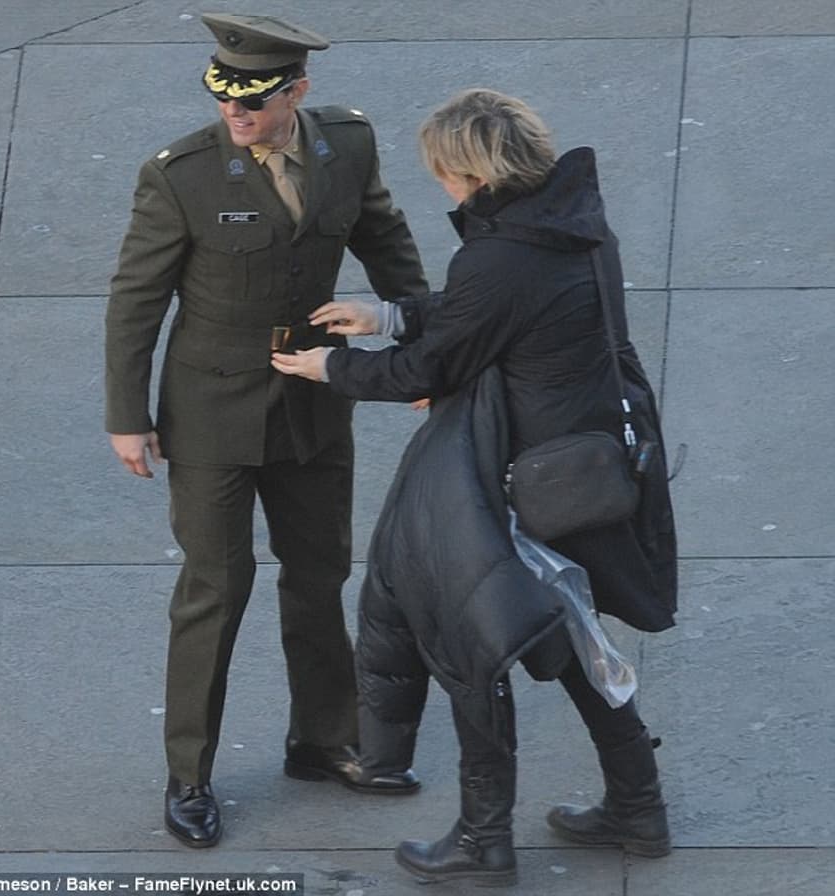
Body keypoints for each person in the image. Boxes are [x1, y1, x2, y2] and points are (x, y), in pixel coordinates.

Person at [273, 88, 678, 885]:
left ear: (470, 170)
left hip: (516, 477)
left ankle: (483, 839)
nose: (442, 188)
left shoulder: (500, 256)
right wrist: (389, 315)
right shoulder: (574, 227)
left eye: (443, 175)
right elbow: (483, 317)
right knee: (567, 640)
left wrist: (333, 366)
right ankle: (638, 805)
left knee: (471, 643)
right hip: (580, 463)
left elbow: (436, 366)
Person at [104, 13, 428, 849]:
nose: (235, 115)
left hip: (315, 399)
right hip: (211, 412)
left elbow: (386, 240)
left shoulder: (346, 146)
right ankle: (189, 775)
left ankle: (324, 739)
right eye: (224, 99)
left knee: (320, 574)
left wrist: (425, 349)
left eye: (253, 101)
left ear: (297, 93)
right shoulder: (181, 174)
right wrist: (127, 418)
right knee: (215, 588)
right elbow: (137, 300)